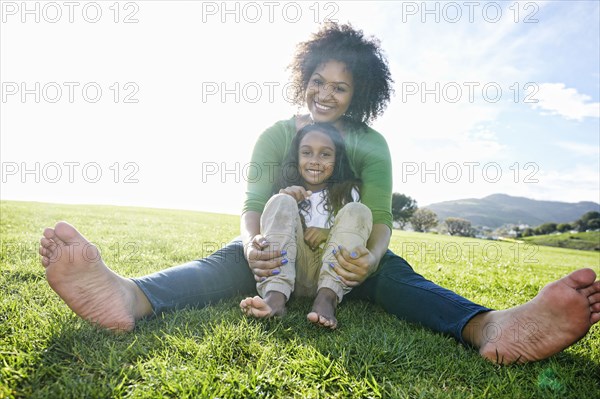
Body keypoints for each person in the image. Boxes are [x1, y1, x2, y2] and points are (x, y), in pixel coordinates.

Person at [38, 22, 600, 364]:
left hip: (346, 257)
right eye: (318, 81)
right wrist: (254, 244)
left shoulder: (372, 143)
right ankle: (127, 297)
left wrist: (371, 260)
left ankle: (491, 327)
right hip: (279, 253)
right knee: (228, 261)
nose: (325, 94)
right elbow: (252, 208)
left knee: (396, 275)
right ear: (301, 77)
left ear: (359, 95)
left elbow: (377, 218)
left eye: (340, 87)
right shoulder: (275, 134)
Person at [239, 122, 370, 329]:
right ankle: (275, 296)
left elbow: (352, 232)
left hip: (329, 271)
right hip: (291, 269)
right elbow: (277, 232)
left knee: (359, 211)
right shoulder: (286, 190)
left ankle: (326, 299)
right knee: (280, 202)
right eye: (307, 153)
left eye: (325, 154)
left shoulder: (349, 191)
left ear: (337, 159)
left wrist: (327, 233)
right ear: (297, 157)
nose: (315, 161)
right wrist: (285, 198)